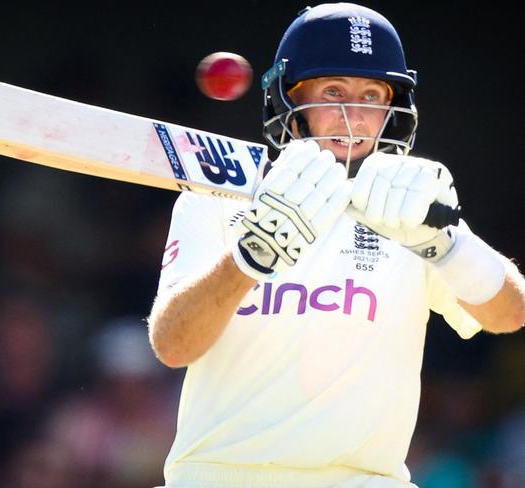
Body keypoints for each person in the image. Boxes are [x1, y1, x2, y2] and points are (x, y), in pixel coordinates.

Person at [147, 3, 525, 488]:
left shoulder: (409, 205)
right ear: (289, 97)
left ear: (394, 108)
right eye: (333, 92)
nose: (355, 116)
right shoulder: (218, 197)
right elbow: (173, 344)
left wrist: (445, 244)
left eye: (372, 95)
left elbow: (509, 313)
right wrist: (248, 259)